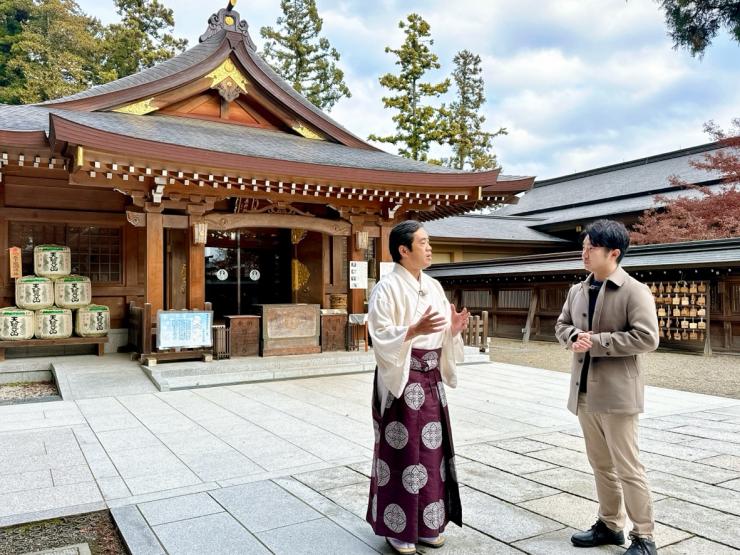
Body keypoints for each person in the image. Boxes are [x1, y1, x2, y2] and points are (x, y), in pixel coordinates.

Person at [555, 219, 660, 555]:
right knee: (600, 464)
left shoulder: (634, 290)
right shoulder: (577, 290)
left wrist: (597, 341)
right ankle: (610, 524)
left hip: (617, 393)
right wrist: (572, 337)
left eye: (592, 247)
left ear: (614, 253)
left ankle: (644, 536)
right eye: (584, 246)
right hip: (584, 390)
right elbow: (562, 325)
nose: (584, 252)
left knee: (627, 466)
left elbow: (647, 337)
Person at [365, 220, 469, 555]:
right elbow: (380, 336)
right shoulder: (386, 288)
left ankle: (427, 524)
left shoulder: (434, 286)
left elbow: (439, 335)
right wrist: (411, 330)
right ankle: (399, 528)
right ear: (403, 250)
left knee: (432, 454)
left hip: (430, 378)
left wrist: (451, 331)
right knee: (403, 452)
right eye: (422, 242)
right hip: (403, 379)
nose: (429, 248)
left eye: (429, 242)